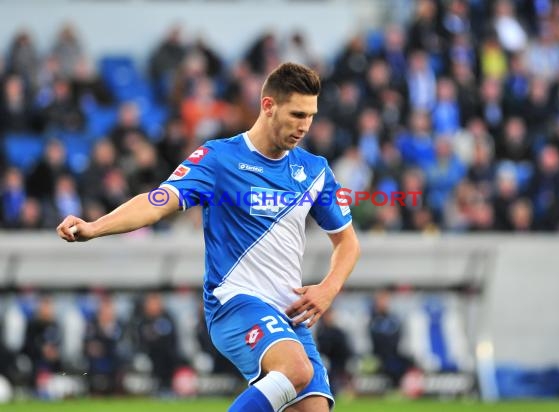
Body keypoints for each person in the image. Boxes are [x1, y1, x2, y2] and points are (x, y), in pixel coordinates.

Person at [57, 62, 360, 412]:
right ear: (268, 106)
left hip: (289, 314)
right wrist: (95, 227)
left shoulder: (314, 170)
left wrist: (328, 288)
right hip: (234, 302)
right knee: (295, 369)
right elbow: (157, 202)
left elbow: (347, 242)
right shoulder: (219, 159)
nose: (305, 126)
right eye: (296, 114)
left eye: (310, 116)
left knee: (313, 407)